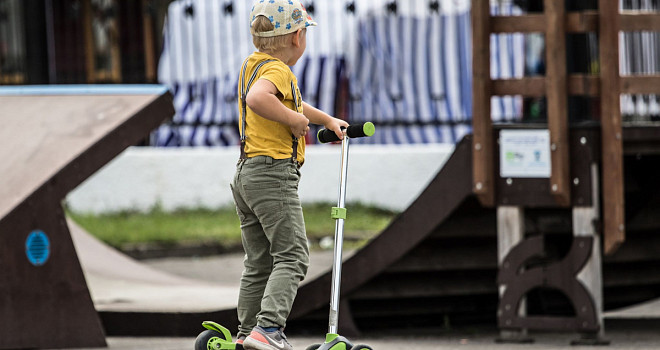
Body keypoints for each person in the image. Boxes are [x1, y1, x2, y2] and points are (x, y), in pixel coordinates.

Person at [231, 1, 348, 349]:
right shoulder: (279, 71)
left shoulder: (254, 65)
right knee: (293, 255)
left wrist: (325, 119)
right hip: (272, 173)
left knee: (259, 261)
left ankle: (246, 334)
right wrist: (295, 122)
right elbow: (258, 99)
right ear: (298, 37)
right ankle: (268, 330)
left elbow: (290, 101)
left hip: (246, 174)